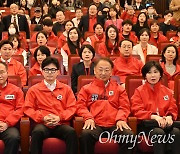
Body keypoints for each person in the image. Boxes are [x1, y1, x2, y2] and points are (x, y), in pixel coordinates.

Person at [77, 57, 134, 154]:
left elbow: (124, 107)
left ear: (111, 72)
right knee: (86, 135)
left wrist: (120, 119)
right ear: (94, 70)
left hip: (115, 124)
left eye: (107, 70)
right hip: (95, 124)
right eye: (100, 70)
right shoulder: (86, 89)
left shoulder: (119, 89)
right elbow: (80, 106)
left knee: (128, 136)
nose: (103, 73)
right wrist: (88, 118)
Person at [24, 57, 78, 154]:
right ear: (42, 71)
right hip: (42, 124)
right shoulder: (34, 90)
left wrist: (59, 117)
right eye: (47, 70)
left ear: (58, 72)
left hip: (61, 123)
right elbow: (28, 108)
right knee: (37, 132)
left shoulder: (66, 89)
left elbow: (72, 107)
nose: (50, 72)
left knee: (71, 132)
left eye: (53, 70)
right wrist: (42, 117)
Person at [131, 60, 180, 154]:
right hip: (148, 125)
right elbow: (136, 110)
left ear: (160, 74)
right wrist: (154, 116)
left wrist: (170, 116)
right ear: (145, 75)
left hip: (166, 124)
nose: (153, 75)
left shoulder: (167, 91)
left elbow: (173, 108)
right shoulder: (139, 91)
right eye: (149, 72)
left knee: (176, 132)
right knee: (158, 132)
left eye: (155, 72)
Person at [0, 61, 24, 154]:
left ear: (7, 73)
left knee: (13, 137)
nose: (0, 75)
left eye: (2, 72)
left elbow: (20, 109)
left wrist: (7, 123)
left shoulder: (16, 90)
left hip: (9, 126)